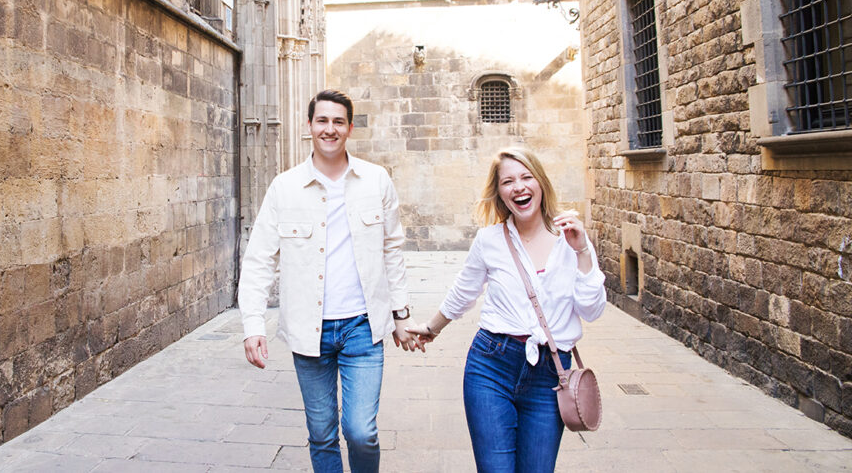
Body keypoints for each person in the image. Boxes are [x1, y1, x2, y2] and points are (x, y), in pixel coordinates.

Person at [238, 89, 422, 473]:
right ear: (309, 126)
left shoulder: (376, 180)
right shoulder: (284, 187)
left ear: (349, 128)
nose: (330, 129)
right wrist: (252, 325)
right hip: (310, 331)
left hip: (362, 328)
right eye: (322, 120)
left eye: (338, 121)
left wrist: (401, 314)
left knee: (360, 432)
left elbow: (392, 250)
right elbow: (258, 260)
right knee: (321, 434)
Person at [407, 146, 606, 473]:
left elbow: (592, 309)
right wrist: (432, 327)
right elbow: (464, 292)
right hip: (491, 366)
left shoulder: (570, 241)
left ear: (541, 183)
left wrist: (583, 251)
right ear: (499, 193)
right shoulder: (490, 240)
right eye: (508, 181)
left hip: (550, 375)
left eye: (527, 177)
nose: (519, 187)